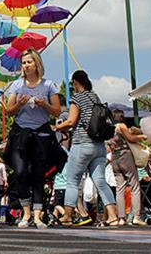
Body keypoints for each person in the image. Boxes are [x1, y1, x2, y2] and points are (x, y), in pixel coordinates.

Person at [5, 48, 61, 229]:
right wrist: (20, 103)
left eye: (29, 62)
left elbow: (57, 111)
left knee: (39, 173)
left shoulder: (49, 85)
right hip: (20, 132)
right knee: (21, 171)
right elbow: (9, 110)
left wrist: (44, 104)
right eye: (24, 62)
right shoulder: (16, 85)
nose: (26, 65)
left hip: (41, 133)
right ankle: (25, 211)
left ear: (37, 64)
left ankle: (37, 215)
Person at [55, 70, 119, 226]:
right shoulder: (95, 97)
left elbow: (71, 121)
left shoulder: (77, 98)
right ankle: (113, 216)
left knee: (72, 181)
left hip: (82, 144)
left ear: (76, 82)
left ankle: (68, 216)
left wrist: (55, 128)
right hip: (99, 146)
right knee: (101, 181)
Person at [109, 110, 146, 226]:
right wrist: (141, 136)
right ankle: (136, 216)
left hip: (114, 157)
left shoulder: (110, 128)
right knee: (134, 185)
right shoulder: (121, 126)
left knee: (119, 188)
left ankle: (121, 218)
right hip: (125, 156)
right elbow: (130, 138)